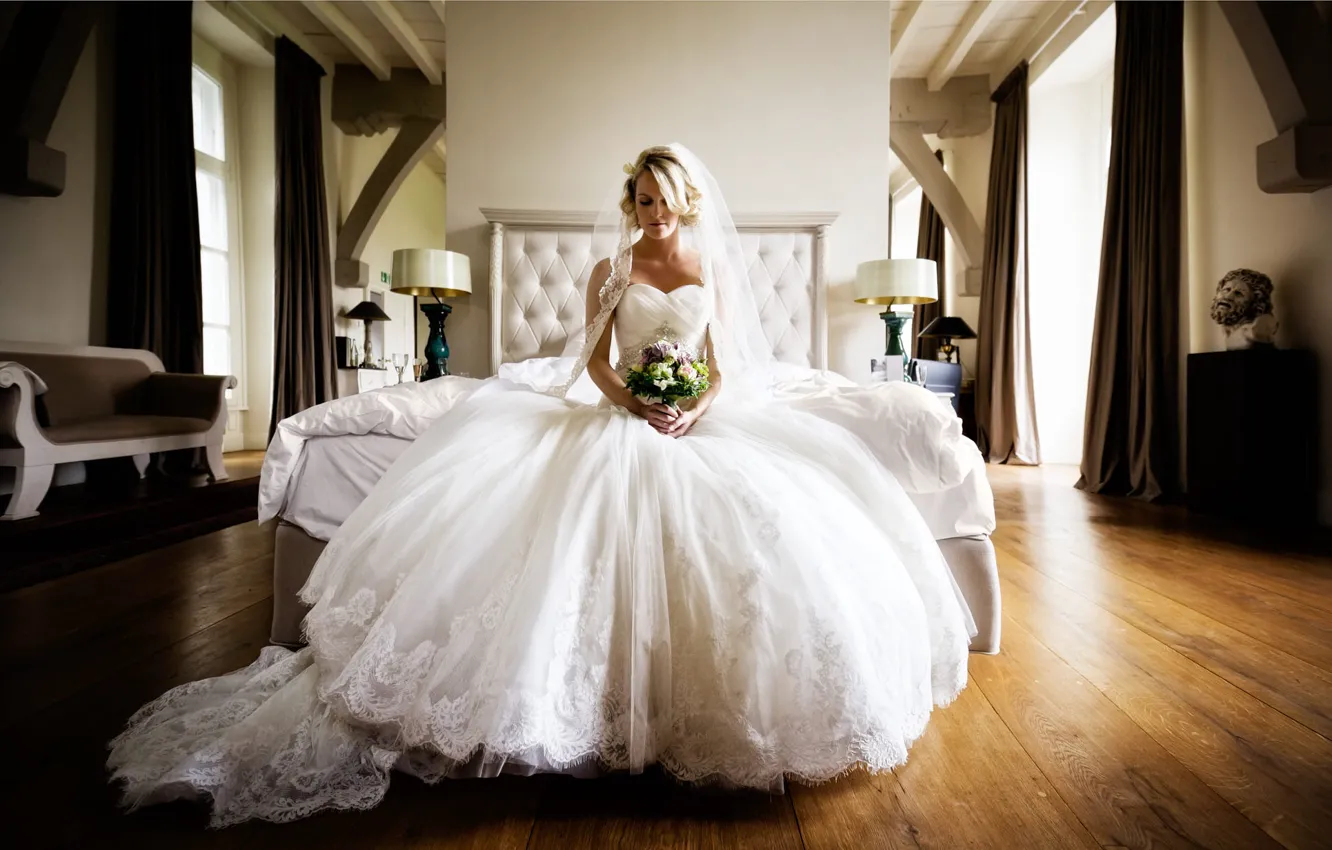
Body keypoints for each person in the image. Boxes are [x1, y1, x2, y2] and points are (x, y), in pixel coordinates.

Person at [106, 144, 975, 828]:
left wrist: (691, 408)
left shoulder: (710, 270)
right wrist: (636, 402)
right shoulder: (611, 271)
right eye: (642, 201)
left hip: (691, 417)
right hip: (620, 409)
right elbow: (591, 363)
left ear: (686, 204)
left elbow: (719, 367)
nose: (653, 214)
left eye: (664, 202)